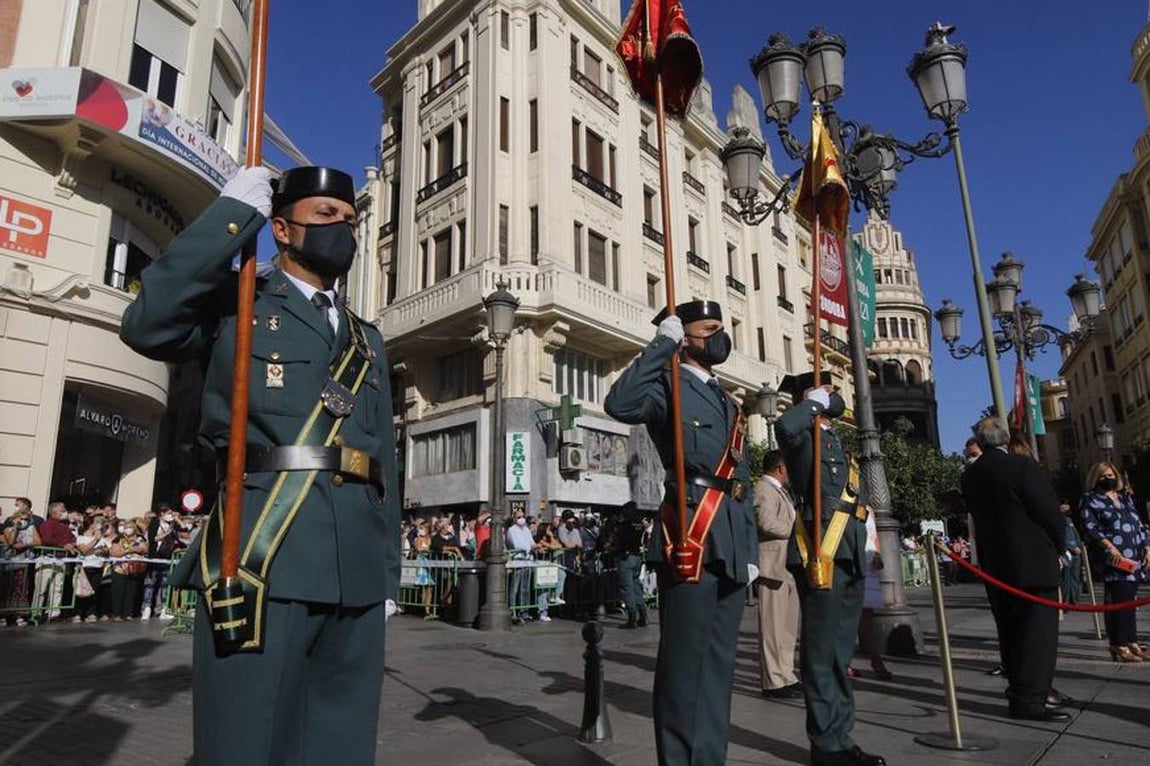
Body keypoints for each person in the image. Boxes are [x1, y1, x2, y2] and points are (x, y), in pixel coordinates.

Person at [120, 165, 401, 764]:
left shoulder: (366, 338)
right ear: (281, 229)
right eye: (325, 217)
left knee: (341, 747)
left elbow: (382, 465)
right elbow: (146, 324)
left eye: (350, 220)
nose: (342, 231)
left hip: (353, 565)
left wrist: (386, 573)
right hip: (262, 557)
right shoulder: (240, 298)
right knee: (244, 743)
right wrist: (228, 215)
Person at [604, 300, 757, 765]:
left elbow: (741, 480)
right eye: (709, 329)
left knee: (717, 667)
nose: (719, 336)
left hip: (728, 537)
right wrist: (660, 345)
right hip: (689, 531)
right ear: (686, 335)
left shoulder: (729, 400)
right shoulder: (665, 386)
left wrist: (748, 548)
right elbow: (619, 403)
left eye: (721, 328)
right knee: (683, 669)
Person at [776, 372, 885, 766]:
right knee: (821, 655)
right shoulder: (802, 435)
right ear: (812, 395)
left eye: (834, 391)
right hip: (820, 552)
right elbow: (785, 426)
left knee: (841, 654)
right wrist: (813, 403)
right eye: (829, 391)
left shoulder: (833, 438)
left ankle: (841, 737)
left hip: (847, 551)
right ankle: (825, 745)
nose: (836, 397)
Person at [961, 417, 1068, 721]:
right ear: (1005, 439)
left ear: (979, 442)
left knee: (1010, 630)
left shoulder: (970, 476)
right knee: (1038, 634)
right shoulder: (1023, 467)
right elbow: (1049, 512)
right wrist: (1059, 547)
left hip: (996, 565)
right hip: (1034, 562)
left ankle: (1018, 691)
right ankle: (1032, 698)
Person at [1077, 462, 1150, 662]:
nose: (1107, 478)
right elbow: (1089, 526)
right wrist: (1108, 545)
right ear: (1095, 478)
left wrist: (1147, 547)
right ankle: (1119, 643)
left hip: (1134, 555)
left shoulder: (1125, 498)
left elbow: (1138, 523)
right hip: (1114, 557)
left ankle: (1132, 640)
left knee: (1131, 601)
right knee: (1119, 600)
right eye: (1102, 476)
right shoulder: (1090, 499)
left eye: (1110, 475)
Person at [754, 450, 801, 699]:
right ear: (781, 468)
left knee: (787, 628)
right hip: (772, 566)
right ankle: (773, 681)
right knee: (772, 628)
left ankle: (787, 674)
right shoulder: (763, 488)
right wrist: (795, 530)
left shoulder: (782, 492)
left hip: (788, 566)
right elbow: (765, 522)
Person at [606, 502, 649, 629]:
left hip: (626, 558)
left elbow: (620, 542)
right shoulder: (639, 525)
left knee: (627, 588)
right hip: (637, 557)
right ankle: (643, 615)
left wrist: (612, 548)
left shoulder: (623, 525)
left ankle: (632, 617)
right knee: (636, 586)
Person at [1058, 501, 1083, 606]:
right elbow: (1062, 537)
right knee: (1066, 578)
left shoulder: (1070, 521)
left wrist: (1079, 545)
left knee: (1075, 577)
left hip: (1076, 553)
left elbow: (1076, 535)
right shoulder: (1059, 521)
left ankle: (1074, 600)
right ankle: (1066, 601)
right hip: (1067, 552)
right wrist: (1072, 547)